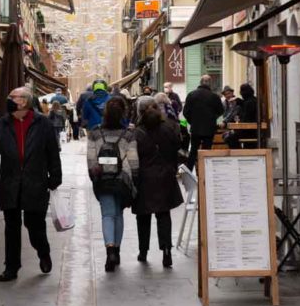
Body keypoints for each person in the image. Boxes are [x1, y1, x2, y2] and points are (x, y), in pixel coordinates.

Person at [0, 87, 62, 282]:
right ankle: (11, 267)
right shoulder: (1, 124)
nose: (9, 99)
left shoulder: (42, 123)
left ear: (25, 102)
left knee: (34, 224)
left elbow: (52, 152)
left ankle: (43, 252)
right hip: (10, 182)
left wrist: (55, 177)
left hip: (35, 181)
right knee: (11, 226)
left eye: (13, 97)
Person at [87, 98, 138, 272]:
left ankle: (109, 251)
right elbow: (133, 160)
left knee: (107, 215)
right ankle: (117, 249)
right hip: (122, 179)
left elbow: (91, 158)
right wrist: (135, 179)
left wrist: (93, 176)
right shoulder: (128, 135)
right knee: (118, 215)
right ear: (123, 113)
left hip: (102, 178)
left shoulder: (95, 133)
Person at [133, 101, 183, 267]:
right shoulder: (168, 129)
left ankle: (143, 251)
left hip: (144, 178)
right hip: (165, 176)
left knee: (143, 216)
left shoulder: (138, 133)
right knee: (163, 215)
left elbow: (133, 158)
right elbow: (178, 147)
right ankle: (167, 250)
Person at [183, 75, 223, 171]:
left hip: (195, 128)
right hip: (209, 129)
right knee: (207, 151)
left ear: (200, 82)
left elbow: (185, 112)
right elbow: (221, 110)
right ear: (210, 84)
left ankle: (188, 172)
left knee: (193, 151)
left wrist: (192, 121)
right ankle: (205, 171)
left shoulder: (191, 95)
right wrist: (213, 118)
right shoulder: (214, 97)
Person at [223, 83, 258, 149]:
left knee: (229, 137)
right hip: (251, 130)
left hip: (249, 131)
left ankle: (237, 153)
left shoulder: (249, 103)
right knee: (227, 135)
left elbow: (245, 119)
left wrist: (235, 130)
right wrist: (239, 101)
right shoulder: (252, 100)